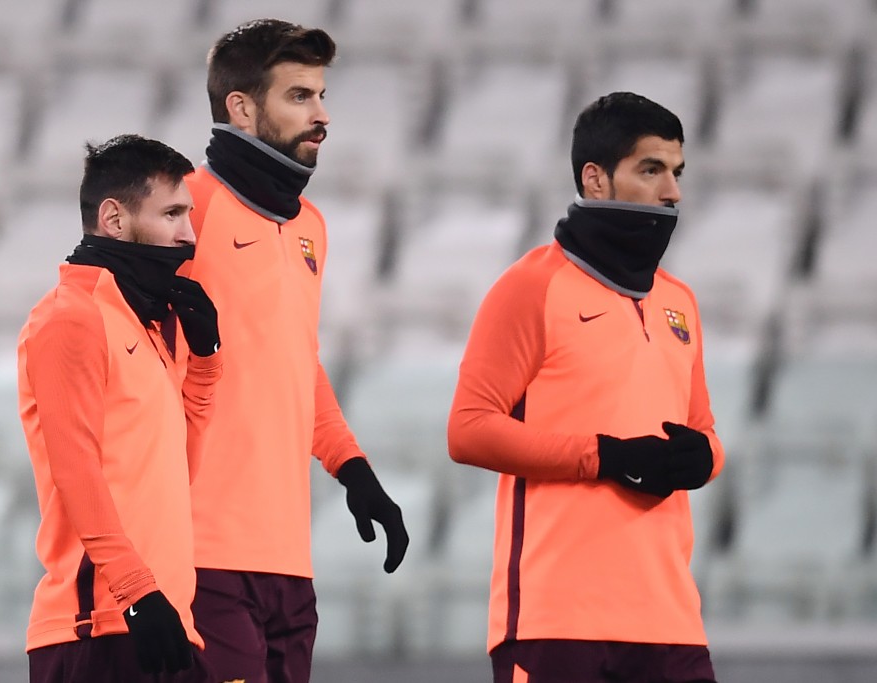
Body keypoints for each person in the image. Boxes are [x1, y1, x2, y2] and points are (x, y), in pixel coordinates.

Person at [447, 92, 724, 683]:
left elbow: (704, 432)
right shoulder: (529, 287)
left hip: (672, 621)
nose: (672, 192)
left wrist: (705, 457)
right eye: (651, 170)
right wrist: (604, 456)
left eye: (676, 172)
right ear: (594, 179)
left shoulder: (680, 301)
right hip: (555, 621)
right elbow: (468, 429)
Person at [179, 19, 410, 683]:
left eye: (322, 94)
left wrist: (354, 469)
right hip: (202, 554)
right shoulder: (186, 208)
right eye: (301, 96)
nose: (323, 115)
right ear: (242, 107)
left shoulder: (311, 227)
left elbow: (295, 363)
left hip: (289, 561)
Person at [18, 134, 222, 682]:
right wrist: (137, 594)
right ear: (113, 218)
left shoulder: (147, 323)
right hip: (100, 627)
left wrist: (204, 362)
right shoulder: (71, 317)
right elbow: (75, 469)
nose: (189, 234)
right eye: (173, 213)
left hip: (167, 622)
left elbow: (178, 474)